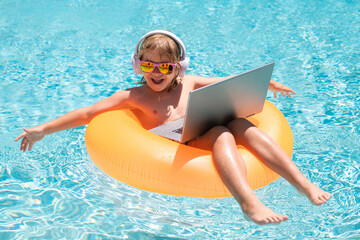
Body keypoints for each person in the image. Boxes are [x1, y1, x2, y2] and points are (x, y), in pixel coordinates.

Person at [15, 30, 331, 225]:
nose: (156, 72)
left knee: (239, 124)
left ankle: (304, 185)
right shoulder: (133, 97)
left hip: (197, 134)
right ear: (138, 64)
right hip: (172, 149)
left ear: (177, 67)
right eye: (149, 64)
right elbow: (87, 114)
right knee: (222, 134)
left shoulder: (190, 82)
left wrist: (266, 85)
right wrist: (42, 130)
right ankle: (249, 203)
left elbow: (231, 86)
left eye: (165, 66)